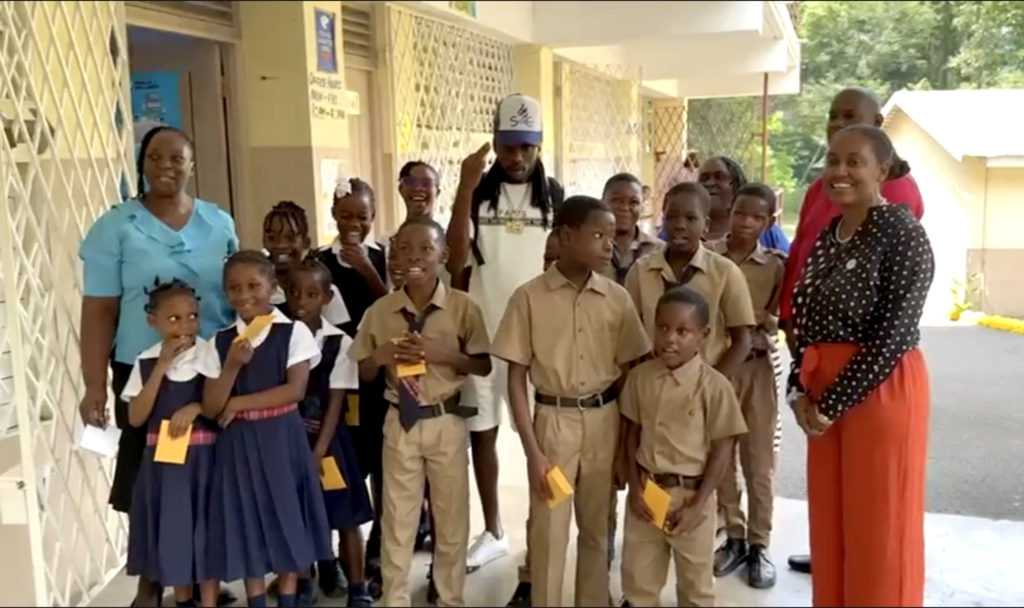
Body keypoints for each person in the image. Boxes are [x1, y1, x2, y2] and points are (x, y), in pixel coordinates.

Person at [77, 125, 238, 607]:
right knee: (145, 474)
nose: (165, 166)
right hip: (142, 369)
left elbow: (237, 296)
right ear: (141, 163)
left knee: (209, 469)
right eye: (154, 157)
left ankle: (204, 571)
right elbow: (100, 310)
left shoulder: (218, 223)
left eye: (177, 158)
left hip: (208, 366)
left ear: (192, 165)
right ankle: (152, 576)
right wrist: (93, 386)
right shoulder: (116, 226)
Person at [781, 86, 926, 576]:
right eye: (833, 160)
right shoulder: (829, 233)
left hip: (877, 393)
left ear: (882, 170)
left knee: (877, 531)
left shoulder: (903, 233)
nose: (840, 172)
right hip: (822, 394)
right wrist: (799, 390)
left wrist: (829, 402)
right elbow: (807, 318)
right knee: (831, 527)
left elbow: (893, 335)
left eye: (855, 162)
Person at [492, 195, 651, 607]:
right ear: (564, 236)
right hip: (553, 424)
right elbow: (516, 379)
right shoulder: (528, 298)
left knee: (597, 529)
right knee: (549, 532)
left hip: (604, 421)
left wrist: (623, 451)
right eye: (597, 235)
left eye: (612, 237)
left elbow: (631, 376)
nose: (607, 246)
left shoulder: (617, 299)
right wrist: (532, 451)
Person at [445, 93, 565, 601]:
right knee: (483, 434)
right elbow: (454, 260)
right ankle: (493, 532)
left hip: (535, 340)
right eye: (507, 146)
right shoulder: (479, 191)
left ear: (538, 147)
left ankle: (545, 531)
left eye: (526, 147)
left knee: (540, 437)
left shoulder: (553, 194)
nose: (516, 157)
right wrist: (464, 186)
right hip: (482, 334)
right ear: (494, 143)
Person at [349, 217, 492, 607]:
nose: (414, 257)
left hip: (446, 419)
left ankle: (450, 597)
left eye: (425, 249)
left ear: (443, 255)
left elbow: (483, 364)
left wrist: (441, 354)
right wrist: (379, 357)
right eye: (405, 250)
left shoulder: (463, 308)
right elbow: (361, 369)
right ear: (393, 255)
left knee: (451, 519)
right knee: (397, 519)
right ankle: (395, 600)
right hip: (401, 422)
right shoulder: (380, 311)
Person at [197, 251, 333, 608]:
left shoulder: (293, 332)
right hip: (238, 445)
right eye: (234, 288)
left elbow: (295, 390)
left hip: (281, 438)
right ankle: (256, 599)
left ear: (273, 288)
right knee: (247, 522)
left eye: (254, 286)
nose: (244, 295)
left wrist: (239, 404)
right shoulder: (221, 341)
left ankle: (288, 598)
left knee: (287, 517)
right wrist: (231, 368)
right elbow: (211, 407)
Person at [620, 287, 747, 607]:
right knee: (638, 583)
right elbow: (630, 435)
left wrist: (699, 504)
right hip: (648, 494)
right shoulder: (639, 378)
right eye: (662, 328)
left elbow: (722, 449)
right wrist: (635, 488)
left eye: (682, 331)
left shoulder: (715, 386)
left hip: (692, 499)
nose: (670, 339)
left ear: (703, 335)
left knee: (695, 588)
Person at [707, 184, 786, 588]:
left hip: (755, 370)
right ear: (730, 211)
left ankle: (760, 543)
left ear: (769, 222)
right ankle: (733, 536)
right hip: (720, 366)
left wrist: (762, 322)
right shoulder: (709, 257)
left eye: (757, 217)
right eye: (741, 213)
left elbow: (778, 319)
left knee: (758, 462)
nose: (746, 223)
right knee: (721, 456)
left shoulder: (776, 265)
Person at [122, 280, 219, 608]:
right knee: (175, 531)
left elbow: (221, 404)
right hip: (165, 465)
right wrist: (162, 366)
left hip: (205, 460)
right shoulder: (147, 361)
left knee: (206, 529)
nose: (185, 325)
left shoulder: (210, 353)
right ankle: (183, 599)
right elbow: (136, 417)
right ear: (153, 321)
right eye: (174, 319)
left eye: (192, 316)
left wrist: (197, 408)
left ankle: (208, 597)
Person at [286, 259, 375, 608]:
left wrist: (319, 451)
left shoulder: (339, 342)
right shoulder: (279, 336)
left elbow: (337, 402)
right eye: (294, 293)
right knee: (299, 513)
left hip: (330, 444)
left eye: (311, 294)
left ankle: (358, 587)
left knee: (346, 517)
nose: (301, 301)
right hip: (290, 443)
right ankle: (304, 583)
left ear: (327, 297)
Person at [317, 176, 390, 597]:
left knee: (382, 463)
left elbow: (392, 307)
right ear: (334, 215)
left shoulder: (383, 257)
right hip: (335, 381)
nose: (353, 224)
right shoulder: (320, 260)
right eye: (345, 216)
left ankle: (377, 546)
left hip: (377, 381)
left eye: (361, 216)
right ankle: (334, 556)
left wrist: (365, 267)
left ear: (372, 217)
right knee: (342, 465)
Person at [625, 183, 754, 381]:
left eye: (691, 218)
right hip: (652, 385)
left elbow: (743, 340)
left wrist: (711, 385)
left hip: (704, 383)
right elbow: (628, 335)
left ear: (706, 225)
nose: (680, 225)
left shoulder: (725, 272)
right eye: (671, 217)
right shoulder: (641, 270)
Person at [263, 201, 350, 328]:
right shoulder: (260, 288)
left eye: (290, 238)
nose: (280, 245)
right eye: (271, 238)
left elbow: (340, 338)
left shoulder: (322, 287)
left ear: (306, 242)